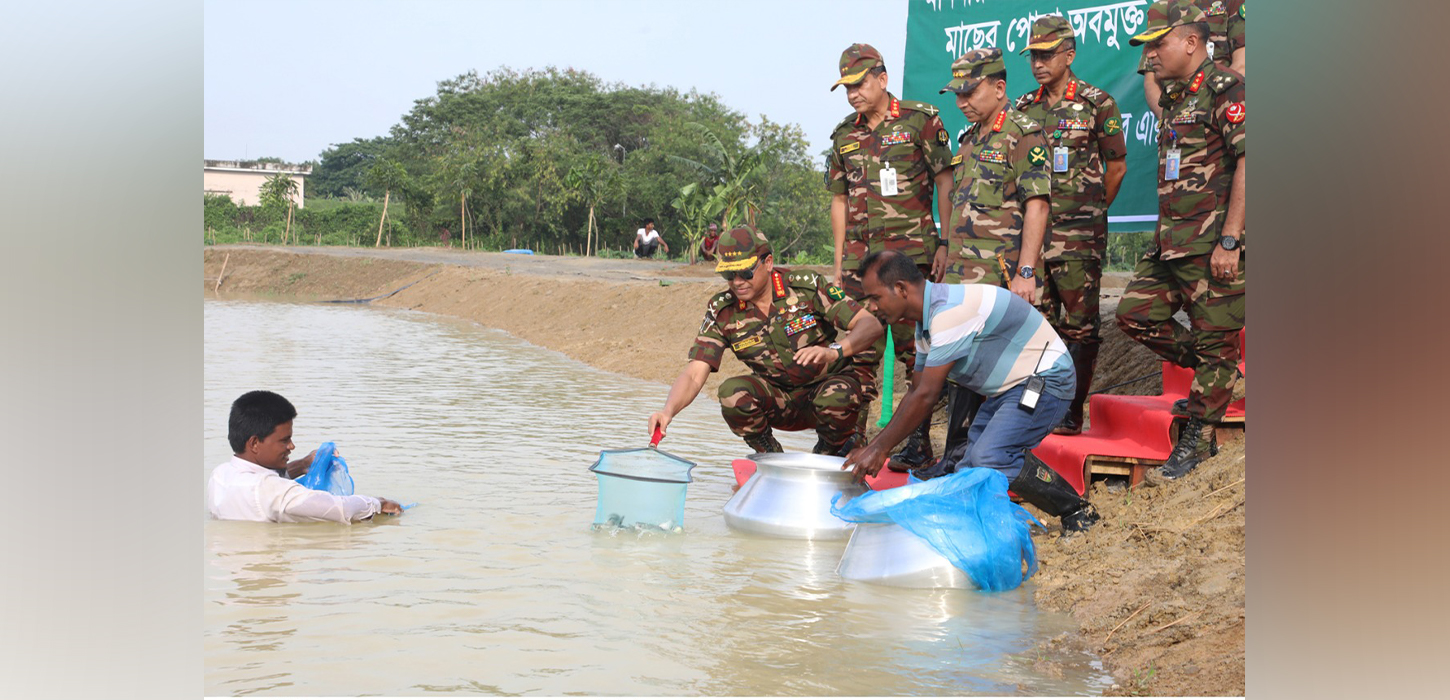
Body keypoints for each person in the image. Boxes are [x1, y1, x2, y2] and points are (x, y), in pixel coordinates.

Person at [841, 251, 1099, 532]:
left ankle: (1078, 511)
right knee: (971, 467)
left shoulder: (949, 313)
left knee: (991, 457)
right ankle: (983, 525)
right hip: (1012, 388)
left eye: (875, 298)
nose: (872, 307)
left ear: (901, 289)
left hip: (1047, 381)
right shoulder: (926, 322)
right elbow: (916, 390)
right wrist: (876, 446)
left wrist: (880, 448)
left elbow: (927, 395)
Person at [1119, 0, 1246, 481]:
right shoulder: (1176, 100)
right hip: (1170, 241)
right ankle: (1218, 377)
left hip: (1213, 241)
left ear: (1191, 42)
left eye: (1158, 44)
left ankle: (1199, 434)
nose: (1150, 55)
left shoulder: (1227, 89)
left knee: (1216, 340)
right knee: (1134, 313)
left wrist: (1231, 240)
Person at [827, 42, 955, 473]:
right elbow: (839, 200)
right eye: (846, 88)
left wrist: (945, 242)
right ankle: (850, 442)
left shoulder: (920, 120)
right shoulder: (844, 135)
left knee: (914, 353)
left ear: (882, 79)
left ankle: (917, 444)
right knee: (857, 351)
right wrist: (839, 260)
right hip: (860, 267)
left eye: (859, 84)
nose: (852, 95)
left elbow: (944, 181)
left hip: (907, 263)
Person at [648, 226, 884, 456]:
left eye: (746, 273)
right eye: (729, 275)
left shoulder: (805, 287)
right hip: (781, 401)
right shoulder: (723, 310)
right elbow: (694, 373)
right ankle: (772, 457)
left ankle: (831, 451)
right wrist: (667, 412)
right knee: (732, 393)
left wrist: (834, 352)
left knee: (837, 395)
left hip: (829, 393)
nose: (737, 281)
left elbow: (869, 325)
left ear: (768, 263)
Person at [935, 47, 1054, 462]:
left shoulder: (1024, 133)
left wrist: (1026, 271)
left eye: (969, 93)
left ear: (1000, 88)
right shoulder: (969, 140)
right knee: (962, 367)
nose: (962, 103)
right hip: (962, 279)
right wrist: (946, 251)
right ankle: (955, 455)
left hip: (1000, 279)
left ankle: (1002, 455)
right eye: (957, 95)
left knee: (1007, 368)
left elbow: (1037, 204)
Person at [1013, 16, 1129, 435]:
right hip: (1033, 239)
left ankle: (1070, 412)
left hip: (1080, 237)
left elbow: (1115, 167)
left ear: (1069, 54)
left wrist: (1089, 212)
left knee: (1079, 327)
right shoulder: (1023, 109)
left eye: (1047, 55)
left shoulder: (1098, 103)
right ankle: (1030, 410)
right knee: (1033, 325)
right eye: (1034, 56)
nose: (1039, 63)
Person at [208, 390, 403, 523]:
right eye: (284, 440)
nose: (291, 446)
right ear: (254, 443)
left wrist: (303, 465)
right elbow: (338, 508)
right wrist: (378, 503)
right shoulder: (272, 491)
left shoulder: (219, 475)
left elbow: (263, 484)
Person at [1140, 0, 1245, 118]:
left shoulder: (1231, 2)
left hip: (1217, 103)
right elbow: (1151, 81)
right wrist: (1171, 119)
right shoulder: (1163, 8)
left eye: (1159, 45)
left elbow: (1242, 65)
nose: (1151, 54)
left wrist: (1214, 104)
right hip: (1175, 110)